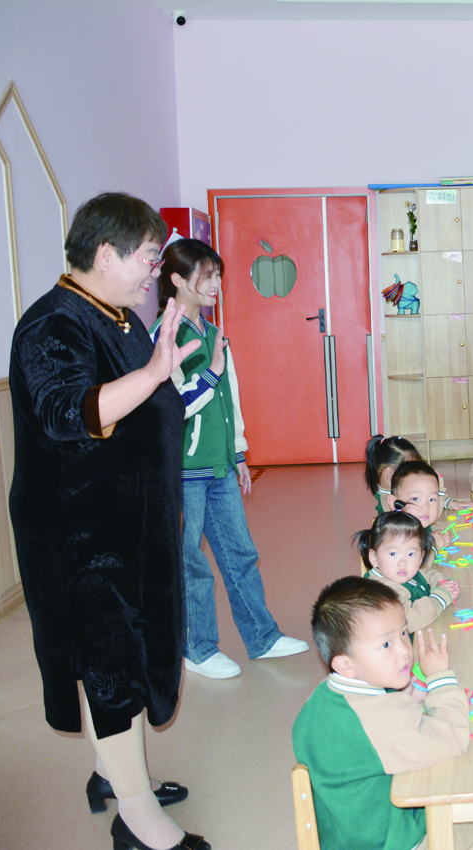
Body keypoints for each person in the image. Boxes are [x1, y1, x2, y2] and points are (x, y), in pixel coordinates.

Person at [8, 193, 209, 850]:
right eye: (149, 258)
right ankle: (137, 815)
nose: (156, 272)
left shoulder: (113, 316)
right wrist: (152, 374)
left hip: (122, 523)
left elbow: (143, 399)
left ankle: (113, 774)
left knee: (124, 652)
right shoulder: (52, 325)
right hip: (80, 533)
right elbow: (67, 413)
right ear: (105, 254)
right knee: (111, 660)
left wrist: (159, 370)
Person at [153, 238, 308, 680]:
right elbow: (171, 406)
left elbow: (230, 396)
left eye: (218, 275)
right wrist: (211, 372)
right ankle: (198, 649)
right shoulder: (165, 335)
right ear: (177, 280)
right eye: (206, 276)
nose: (216, 284)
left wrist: (238, 451)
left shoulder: (212, 331)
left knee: (240, 553)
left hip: (219, 465)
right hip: (184, 470)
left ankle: (262, 638)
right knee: (192, 564)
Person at [292, 577, 473, 850]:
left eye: (404, 633)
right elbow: (452, 738)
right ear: (346, 665)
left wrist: (404, 697)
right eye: (386, 644)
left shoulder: (320, 698)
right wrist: (440, 679)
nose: (405, 651)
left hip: (345, 836)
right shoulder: (381, 720)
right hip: (392, 841)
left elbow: (370, 734)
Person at [356, 511, 458, 633]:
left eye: (411, 554)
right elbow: (406, 620)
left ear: (421, 557)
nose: (403, 562)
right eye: (393, 554)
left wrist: (441, 582)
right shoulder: (380, 592)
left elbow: (425, 576)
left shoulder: (400, 573)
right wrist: (439, 599)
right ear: (374, 558)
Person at [365, 434, 473, 515]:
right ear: (390, 473)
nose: (415, 474)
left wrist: (450, 503)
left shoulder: (403, 488)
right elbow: (427, 516)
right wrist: (440, 493)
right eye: (410, 470)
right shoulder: (388, 502)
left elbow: (426, 496)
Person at [391, 460, 451, 554]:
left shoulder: (416, 525)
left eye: (432, 499)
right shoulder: (395, 537)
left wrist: (439, 533)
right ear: (393, 502)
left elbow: (428, 529)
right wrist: (434, 546)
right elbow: (420, 563)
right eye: (415, 499)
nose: (426, 507)